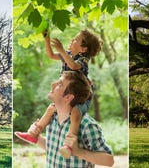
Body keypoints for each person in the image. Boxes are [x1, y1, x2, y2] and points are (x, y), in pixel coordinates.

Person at [15, 29, 102, 158]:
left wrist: (61, 49)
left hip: (82, 97)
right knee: (51, 108)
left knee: (76, 112)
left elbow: (72, 66)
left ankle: (69, 145)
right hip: (67, 94)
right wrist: (46, 39)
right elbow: (50, 55)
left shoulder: (83, 59)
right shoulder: (66, 54)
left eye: (76, 40)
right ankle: (34, 133)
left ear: (83, 49)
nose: (72, 41)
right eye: (73, 39)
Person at [27, 71, 114, 167]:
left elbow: (109, 160)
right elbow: (53, 149)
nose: (53, 84)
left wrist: (78, 152)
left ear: (68, 97)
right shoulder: (52, 119)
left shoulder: (87, 125)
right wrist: (37, 138)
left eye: (60, 84)